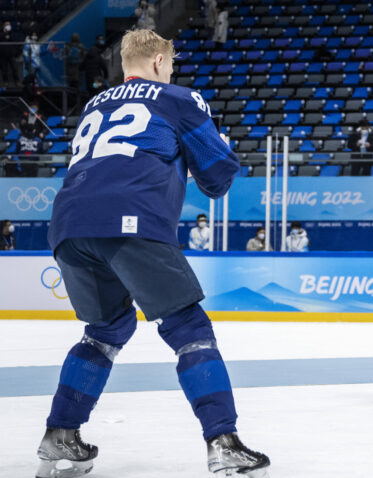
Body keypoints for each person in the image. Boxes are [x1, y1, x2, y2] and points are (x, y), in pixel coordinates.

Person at [36, 29, 269, 477]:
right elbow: (217, 177)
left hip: (67, 225)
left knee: (104, 330)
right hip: (132, 218)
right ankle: (223, 441)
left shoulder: (93, 104)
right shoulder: (178, 98)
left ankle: (59, 433)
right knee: (189, 327)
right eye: (173, 63)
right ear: (160, 61)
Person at [0, 21, 21, 86]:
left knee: (14, 69)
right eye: (6, 25)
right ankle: (5, 82)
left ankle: (17, 81)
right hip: (3, 55)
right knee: (4, 70)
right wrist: (4, 33)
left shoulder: (13, 33)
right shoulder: (1, 33)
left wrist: (9, 35)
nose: (8, 26)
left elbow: (16, 41)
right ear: (4, 26)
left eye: (9, 24)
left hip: (11, 54)